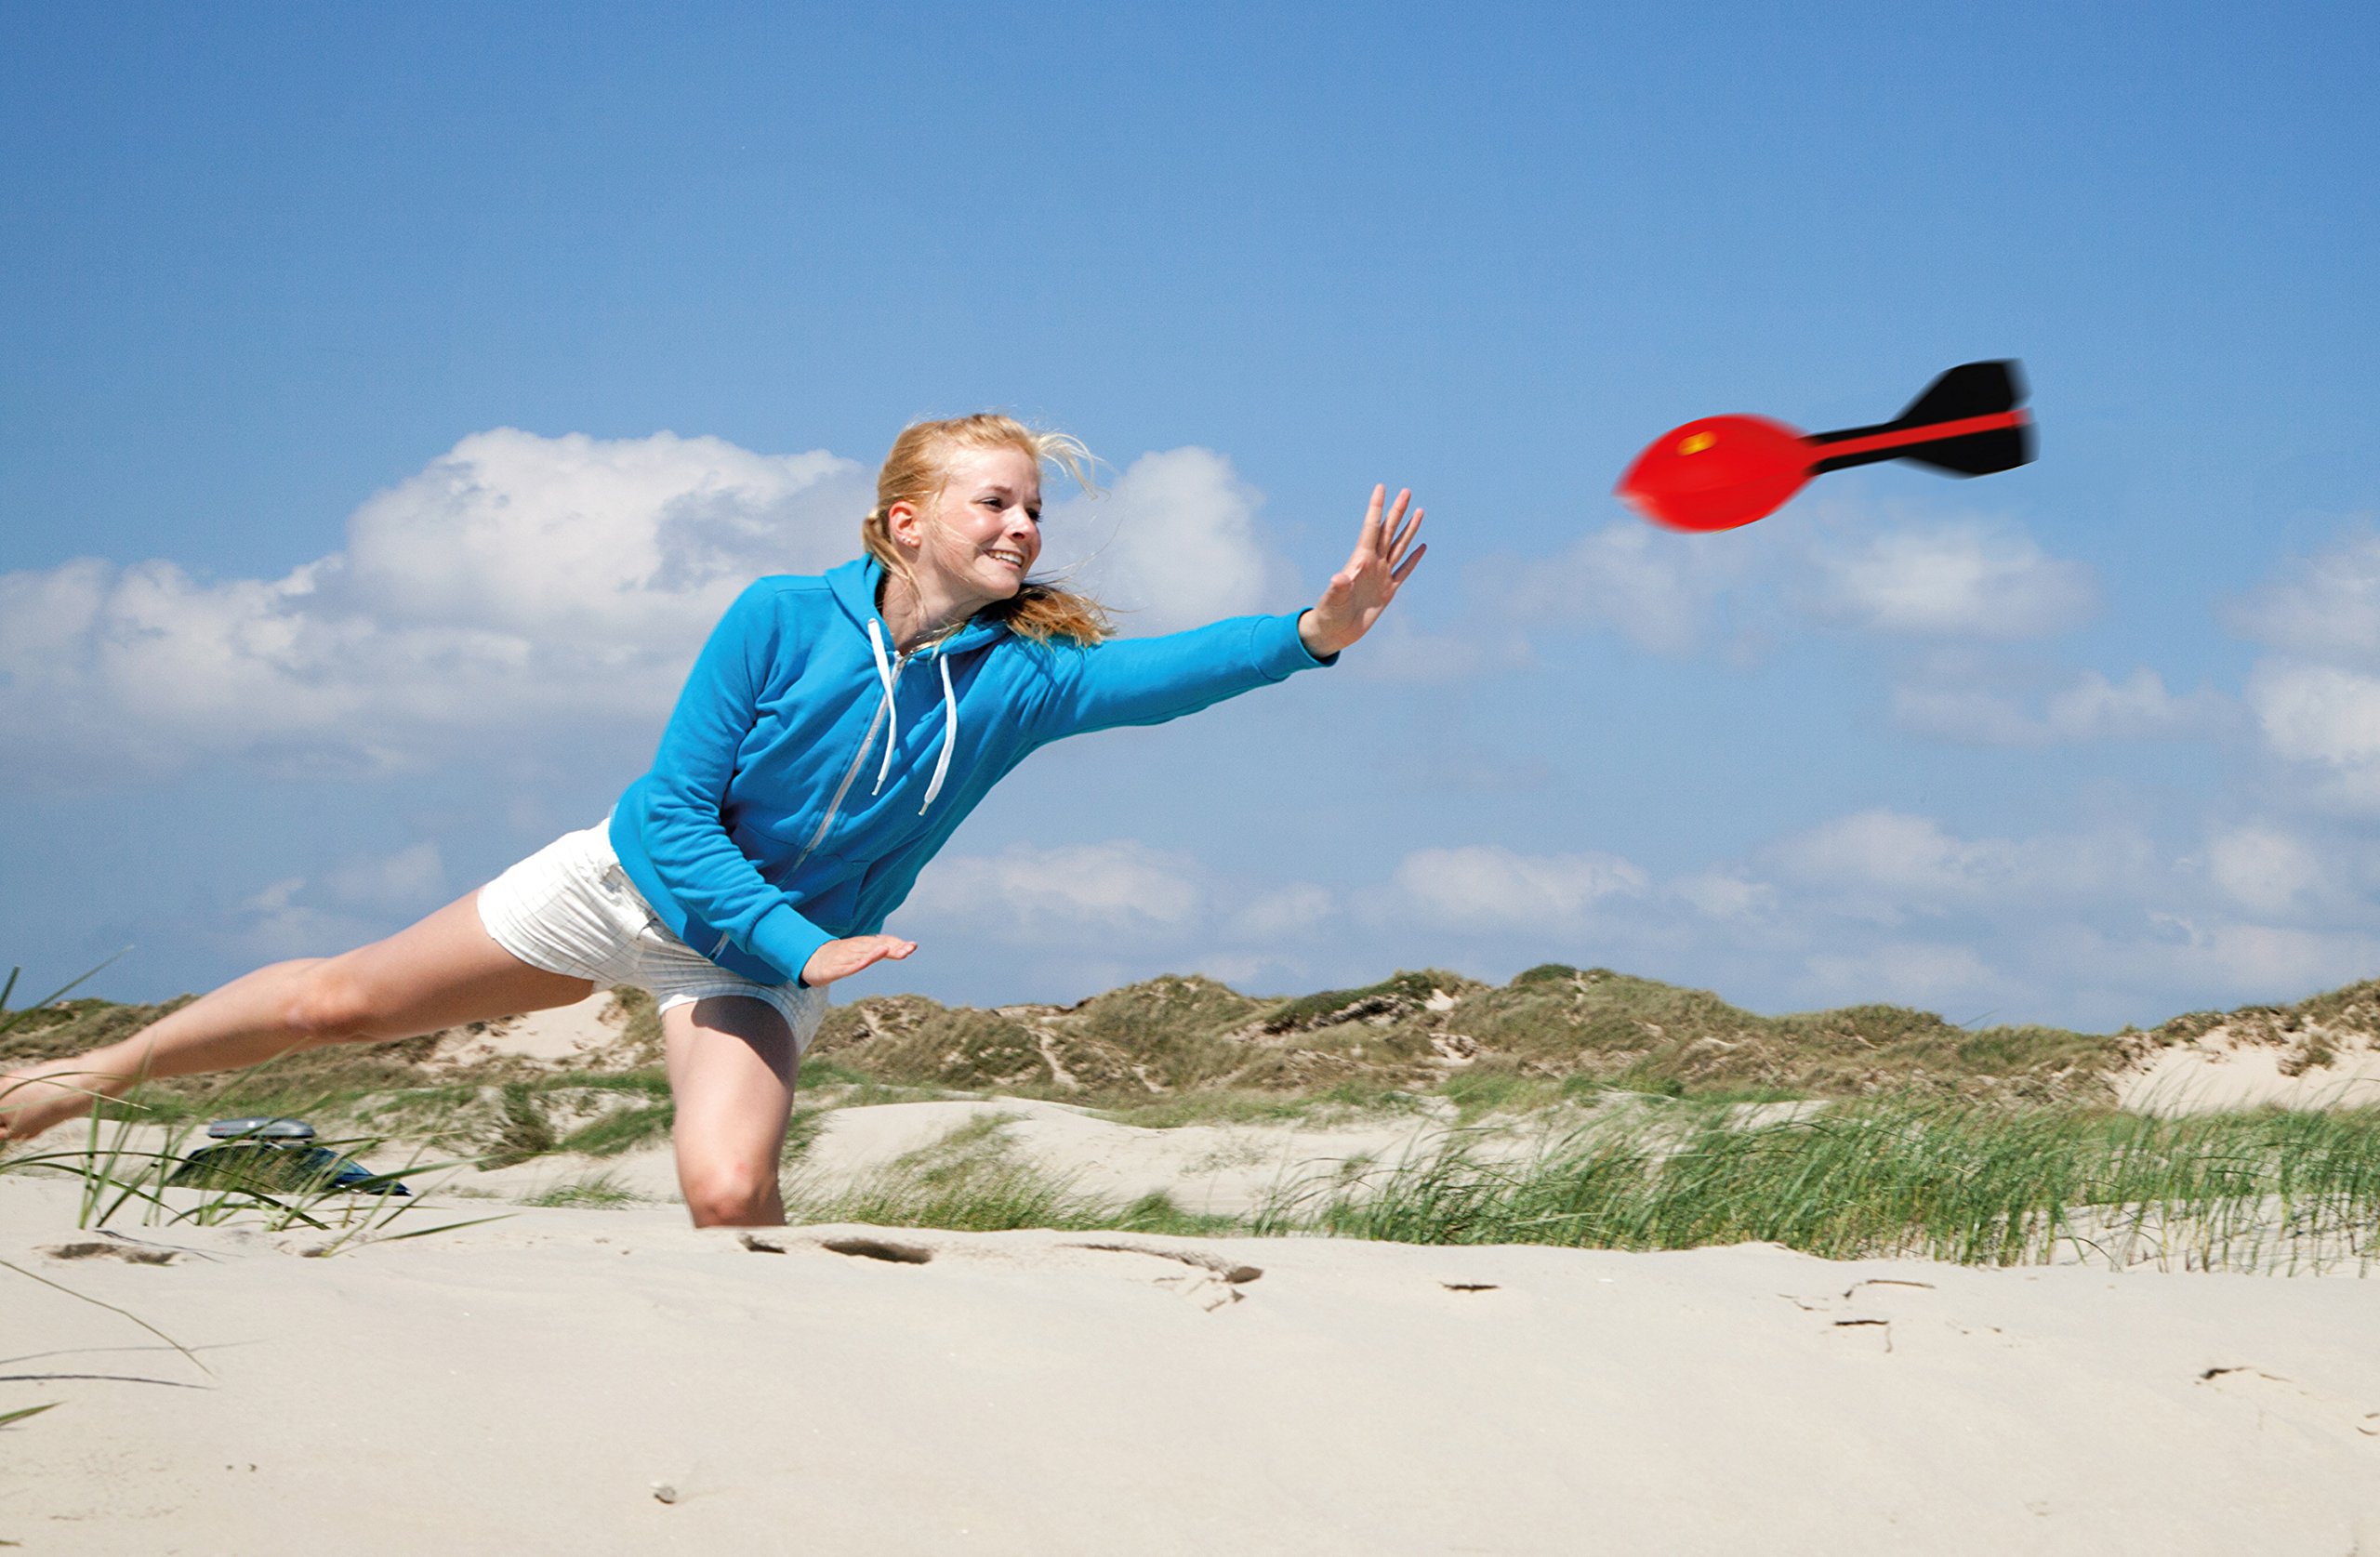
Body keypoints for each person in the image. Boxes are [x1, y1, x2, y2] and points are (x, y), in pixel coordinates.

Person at [0, 414, 1425, 1225]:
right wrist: (801, 945)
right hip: (632, 889)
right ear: (903, 522)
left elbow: (1156, 678)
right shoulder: (773, 618)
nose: (1026, 527)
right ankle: (83, 1079)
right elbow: (675, 817)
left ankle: (777, 1396)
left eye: (1036, 509)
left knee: (730, 1186)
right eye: (996, 501)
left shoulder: (1023, 684)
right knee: (335, 1007)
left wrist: (1316, 629)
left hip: (744, 962)